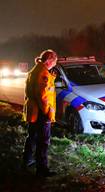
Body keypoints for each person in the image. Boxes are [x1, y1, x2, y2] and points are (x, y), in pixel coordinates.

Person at [23, 49, 57, 177]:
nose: (55, 63)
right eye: (54, 61)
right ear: (49, 60)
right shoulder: (43, 73)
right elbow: (42, 96)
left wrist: (51, 77)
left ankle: (27, 161)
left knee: (32, 137)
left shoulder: (36, 70)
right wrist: (48, 112)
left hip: (34, 111)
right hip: (41, 112)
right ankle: (42, 169)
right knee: (43, 141)